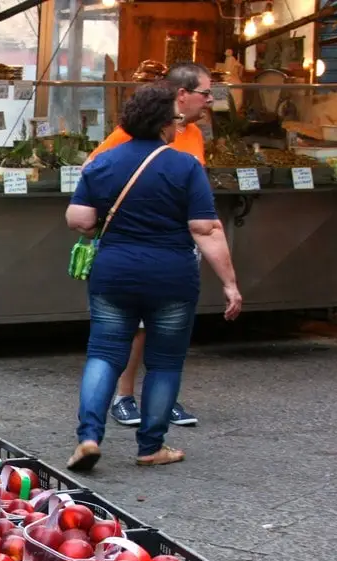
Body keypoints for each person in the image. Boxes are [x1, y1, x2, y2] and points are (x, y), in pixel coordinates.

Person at [64, 83, 242, 471]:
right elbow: (206, 229)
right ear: (164, 124)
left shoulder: (103, 163)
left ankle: (89, 438)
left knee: (105, 353)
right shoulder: (184, 166)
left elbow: (79, 220)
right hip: (171, 276)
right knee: (164, 361)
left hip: (114, 273)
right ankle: (150, 447)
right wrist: (230, 283)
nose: (179, 126)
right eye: (176, 120)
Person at [88, 63, 212, 429]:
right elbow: (92, 169)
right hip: (136, 246)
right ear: (181, 94)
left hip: (179, 246)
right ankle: (123, 396)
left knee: (170, 328)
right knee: (137, 325)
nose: (209, 100)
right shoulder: (130, 135)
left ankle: (162, 398)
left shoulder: (193, 135)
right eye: (205, 92)